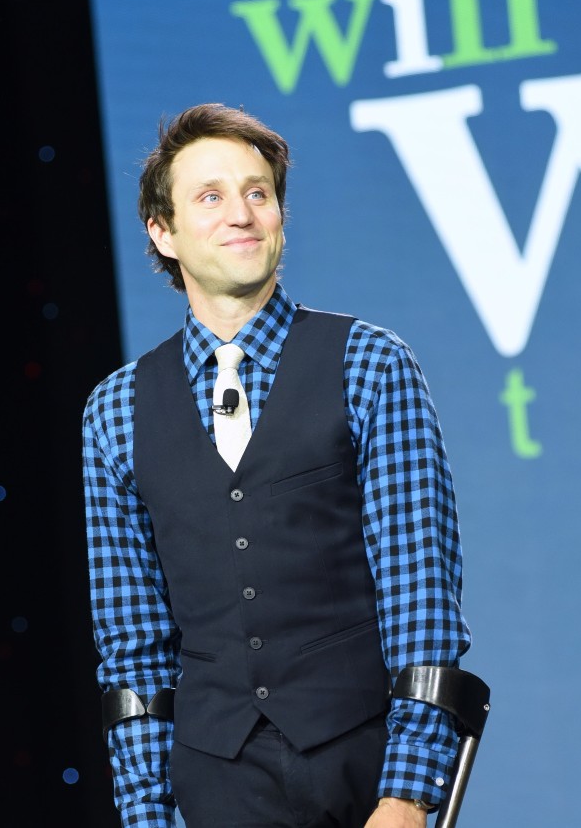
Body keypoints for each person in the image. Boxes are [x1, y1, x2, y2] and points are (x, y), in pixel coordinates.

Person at [82, 102, 472, 828]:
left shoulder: (369, 364)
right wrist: (146, 816)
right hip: (216, 783)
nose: (242, 213)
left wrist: (407, 792)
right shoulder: (116, 409)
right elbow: (132, 647)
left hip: (362, 770)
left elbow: (420, 595)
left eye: (257, 192)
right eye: (211, 196)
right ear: (162, 232)